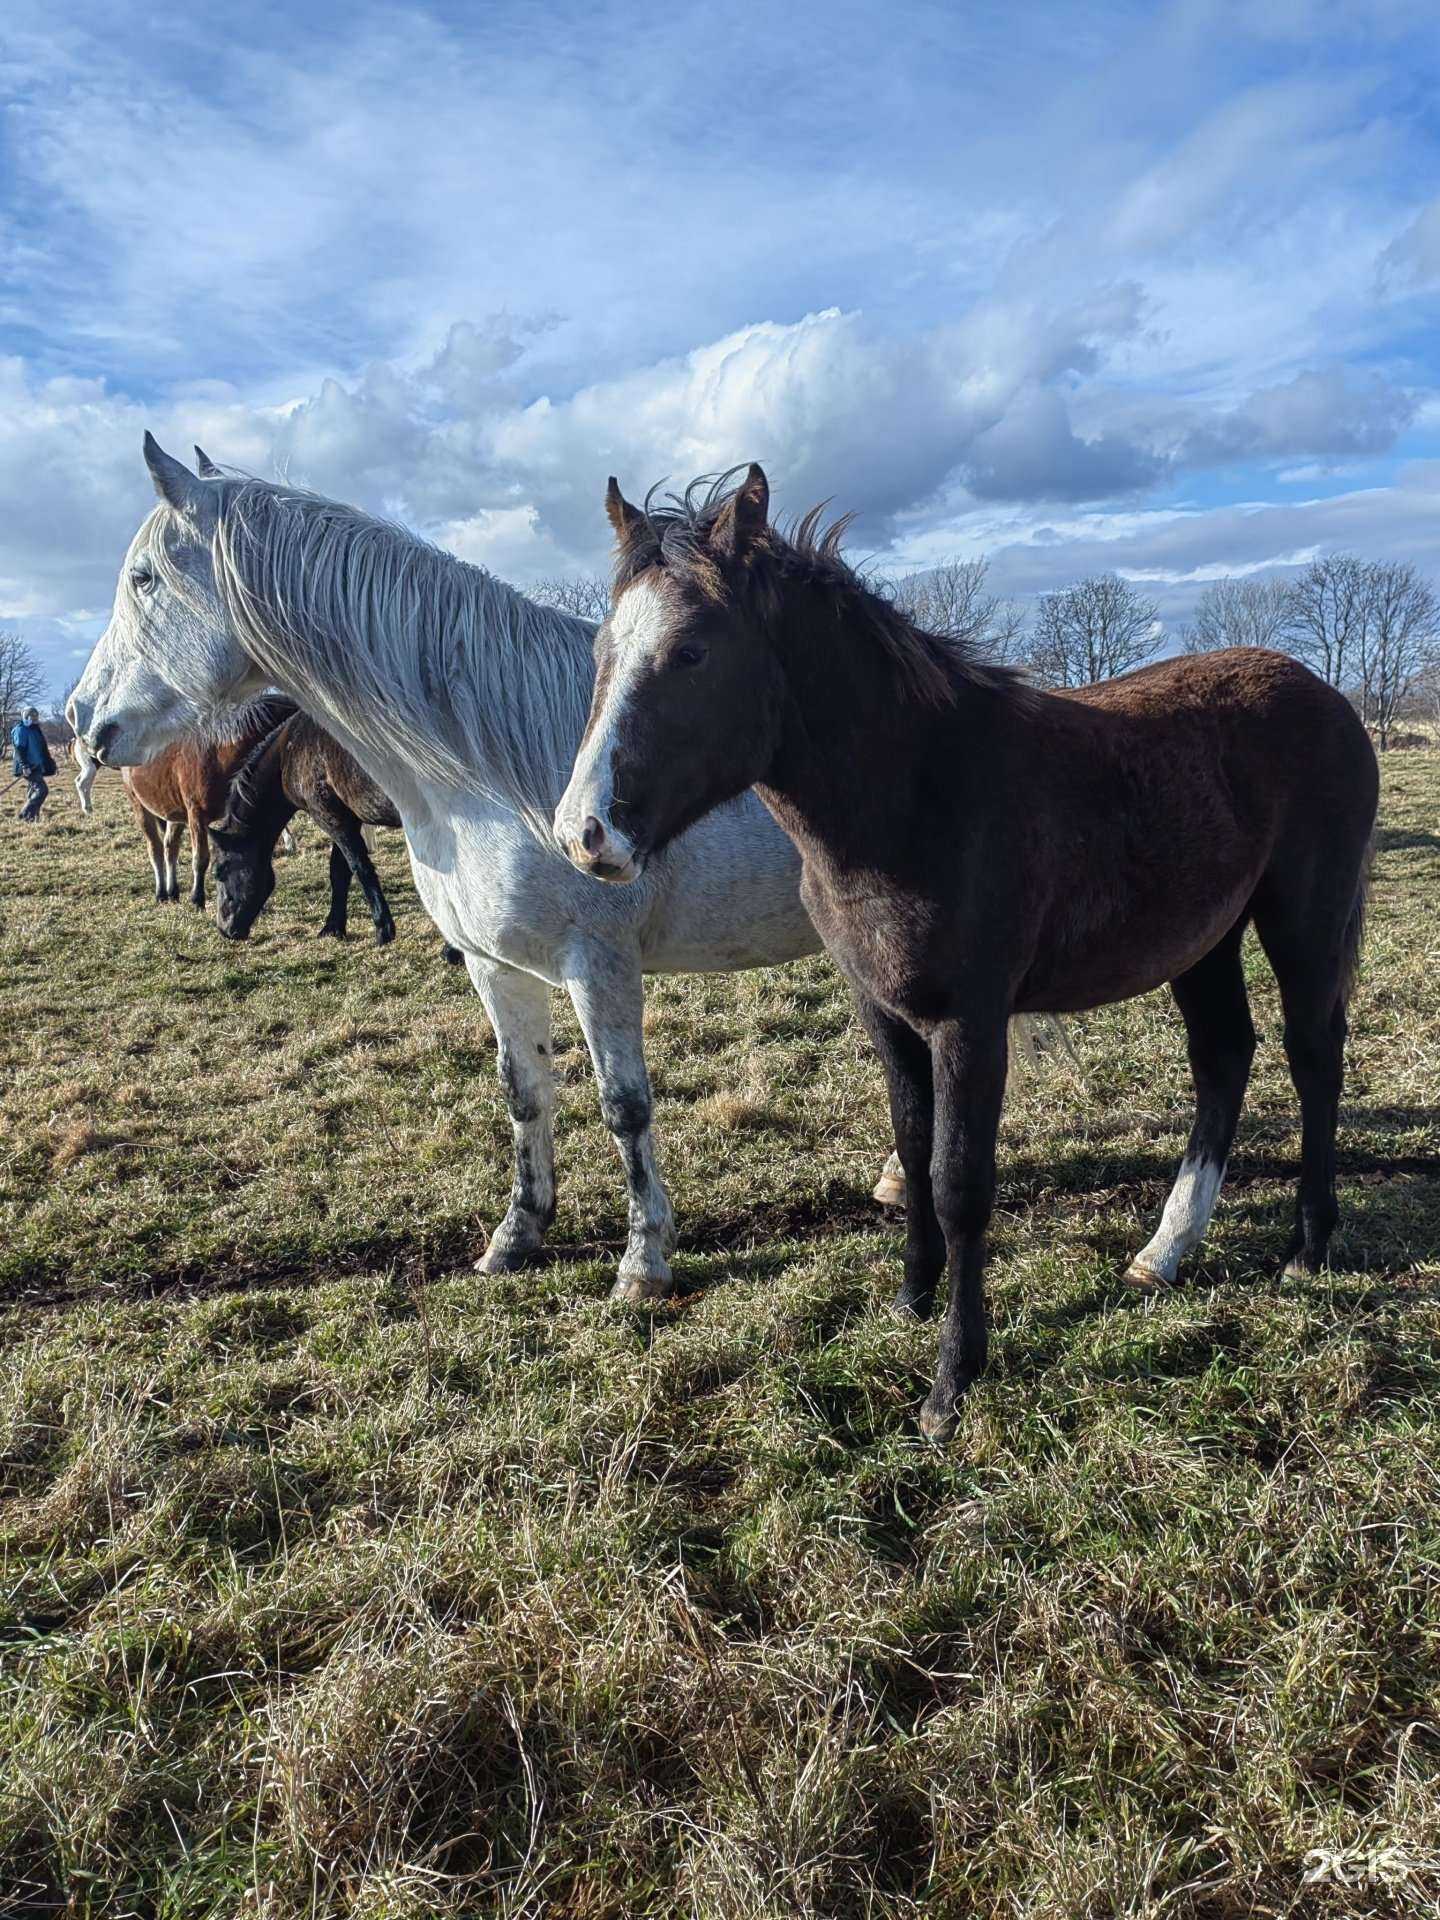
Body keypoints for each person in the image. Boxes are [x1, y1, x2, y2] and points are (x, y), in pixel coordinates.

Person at [10, 706, 56, 821]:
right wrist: (24, 766)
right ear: (25, 716)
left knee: (34, 791)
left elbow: (42, 749)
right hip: (28, 767)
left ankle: (33, 818)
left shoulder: (35, 730)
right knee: (42, 790)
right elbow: (19, 749)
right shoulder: (20, 730)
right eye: (32, 716)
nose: (35, 719)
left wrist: (51, 764)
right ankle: (25, 815)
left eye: (36, 716)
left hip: (37, 766)